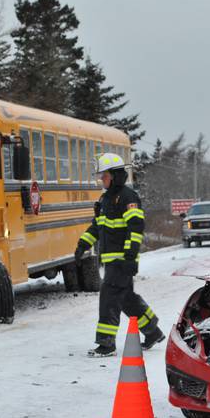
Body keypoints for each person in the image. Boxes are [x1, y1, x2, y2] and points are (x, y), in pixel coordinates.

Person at [74, 152, 165, 357]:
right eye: (101, 176)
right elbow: (97, 227)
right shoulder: (105, 199)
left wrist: (130, 257)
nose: (102, 179)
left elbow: (136, 228)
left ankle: (106, 344)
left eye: (104, 176)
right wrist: (82, 245)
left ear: (115, 176)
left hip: (122, 261)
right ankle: (153, 332)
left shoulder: (128, 197)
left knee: (108, 299)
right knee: (126, 299)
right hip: (112, 261)